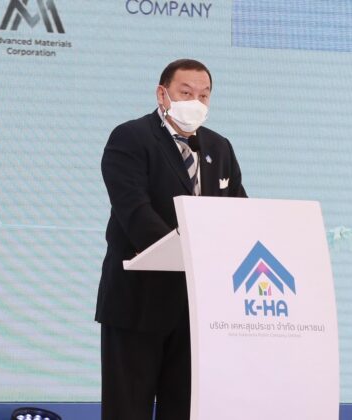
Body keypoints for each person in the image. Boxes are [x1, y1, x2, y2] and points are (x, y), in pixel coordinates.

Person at [95, 59, 247, 420]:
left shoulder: (219, 147)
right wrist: (192, 252)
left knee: (184, 409)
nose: (196, 101)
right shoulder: (130, 138)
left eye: (204, 95)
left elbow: (237, 212)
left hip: (197, 311)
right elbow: (135, 212)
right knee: (127, 411)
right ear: (162, 95)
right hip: (137, 305)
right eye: (186, 92)